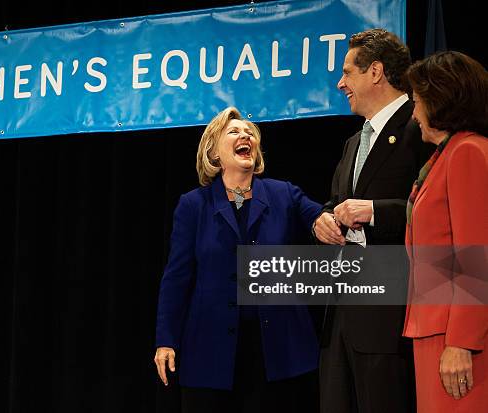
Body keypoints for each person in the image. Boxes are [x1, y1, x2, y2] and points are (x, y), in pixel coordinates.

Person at [154, 107, 322, 413]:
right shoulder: (194, 205)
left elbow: (317, 215)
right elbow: (177, 277)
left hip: (277, 352)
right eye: (234, 132)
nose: (245, 136)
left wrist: (325, 219)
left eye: (250, 134)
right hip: (210, 352)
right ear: (214, 153)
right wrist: (166, 339)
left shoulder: (283, 194)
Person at [313, 29, 432, 412]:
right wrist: (323, 221)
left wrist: (375, 211)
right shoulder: (352, 143)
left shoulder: (420, 128)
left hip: (390, 321)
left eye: (348, 72)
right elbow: (335, 202)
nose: (340, 82)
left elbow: (436, 211)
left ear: (376, 71)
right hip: (341, 318)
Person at [403, 51, 488, 412]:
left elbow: (477, 255)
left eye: (418, 101)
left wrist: (462, 342)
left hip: (456, 339)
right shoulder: (446, 155)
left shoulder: (468, 152)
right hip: (435, 329)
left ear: (440, 100)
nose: (413, 113)